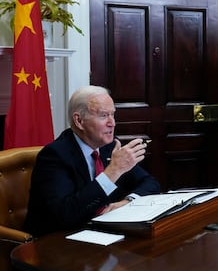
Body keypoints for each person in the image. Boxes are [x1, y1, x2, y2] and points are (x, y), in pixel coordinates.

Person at [24, 85, 160, 237]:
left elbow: (150, 183)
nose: (112, 123)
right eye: (103, 116)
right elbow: (65, 215)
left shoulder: (109, 146)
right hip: (58, 242)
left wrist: (127, 202)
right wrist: (112, 172)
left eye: (112, 115)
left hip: (103, 234)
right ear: (79, 121)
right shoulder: (54, 155)